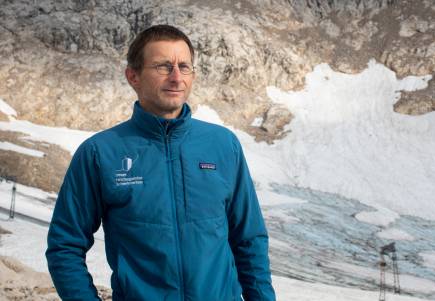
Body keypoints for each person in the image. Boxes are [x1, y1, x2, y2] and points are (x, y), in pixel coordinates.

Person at [46, 24, 276, 301]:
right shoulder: (99, 153)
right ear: (133, 76)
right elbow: (65, 246)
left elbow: (249, 239)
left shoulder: (223, 145)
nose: (176, 77)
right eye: (163, 66)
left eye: (184, 66)